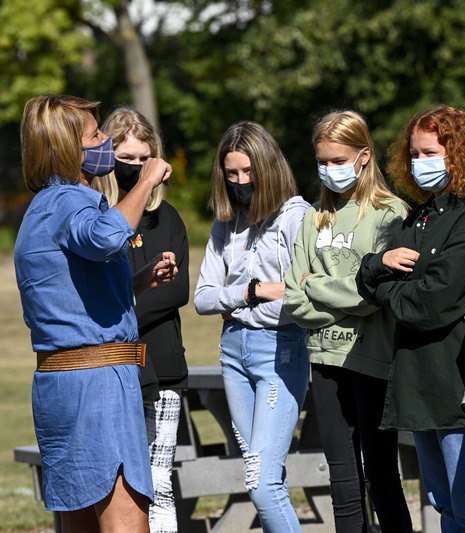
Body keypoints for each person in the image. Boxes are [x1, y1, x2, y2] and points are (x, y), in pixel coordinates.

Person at [14, 95, 175, 532]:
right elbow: (104, 238)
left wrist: (135, 284)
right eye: (96, 135)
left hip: (60, 383)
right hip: (97, 386)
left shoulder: (41, 209)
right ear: (68, 149)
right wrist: (146, 181)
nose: (105, 140)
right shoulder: (70, 200)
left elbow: (65, 295)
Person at [356, 105, 465, 532]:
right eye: (415, 153)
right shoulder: (418, 215)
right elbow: (367, 277)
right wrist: (377, 264)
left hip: (455, 383)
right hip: (414, 385)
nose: (420, 162)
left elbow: (431, 304)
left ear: (457, 155)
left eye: (430, 153)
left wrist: (384, 283)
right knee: (444, 504)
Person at [283, 110, 412, 532]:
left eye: (338, 161)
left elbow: (376, 295)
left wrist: (317, 285)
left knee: (381, 476)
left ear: (363, 157)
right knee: (341, 480)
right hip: (324, 357)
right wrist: (343, 291)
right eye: (322, 162)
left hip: (370, 357)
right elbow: (292, 296)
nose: (329, 171)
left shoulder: (391, 214)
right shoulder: (312, 217)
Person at [194, 121, 310, 532]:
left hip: (281, 350)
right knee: (261, 476)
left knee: (261, 483)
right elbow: (203, 298)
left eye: (249, 172)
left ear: (270, 168)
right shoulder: (226, 224)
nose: (241, 182)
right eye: (232, 174)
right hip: (232, 352)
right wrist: (250, 292)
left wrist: (241, 295)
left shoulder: (298, 218)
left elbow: (305, 292)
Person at [92, 106, 189, 533]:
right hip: (111, 371)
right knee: (114, 487)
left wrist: (119, 308)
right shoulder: (96, 219)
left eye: (142, 161)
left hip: (162, 369)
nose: (133, 169)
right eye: (125, 159)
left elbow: (175, 291)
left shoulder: (167, 219)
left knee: (158, 483)